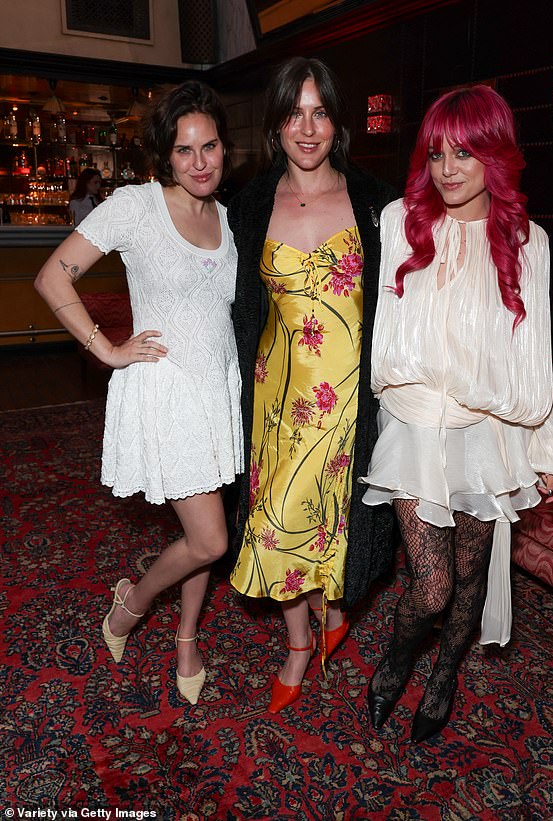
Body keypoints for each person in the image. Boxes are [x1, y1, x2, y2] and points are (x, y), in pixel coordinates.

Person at [360, 85, 553, 743]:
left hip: (486, 430)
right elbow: (382, 332)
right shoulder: (401, 220)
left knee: (468, 578)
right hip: (413, 422)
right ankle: (397, 661)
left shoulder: (526, 241)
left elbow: (530, 357)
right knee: (428, 588)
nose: (448, 168)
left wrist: (547, 443)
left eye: (465, 151)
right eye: (436, 153)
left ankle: (446, 672)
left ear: (496, 156)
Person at [34, 80, 242, 706]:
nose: (199, 162)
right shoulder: (136, 206)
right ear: (165, 155)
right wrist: (107, 348)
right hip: (168, 393)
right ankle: (133, 602)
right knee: (210, 539)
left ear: (225, 149)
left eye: (209, 146)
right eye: (184, 151)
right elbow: (53, 276)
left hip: (218, 391)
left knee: (207, 530)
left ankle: (185, 637)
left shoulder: (229, 219)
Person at [229, 57, 396, 713]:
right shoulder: (247, 206)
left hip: (350, 399)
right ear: (276, 124)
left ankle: (330, 616)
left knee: (334, 524)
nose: (307, 127)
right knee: (274, 525)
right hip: (277, 395)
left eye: (319, 111)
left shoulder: (377, 204)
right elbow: (232, 304)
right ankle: (299, 640)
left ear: (337, 121)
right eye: (294, 112)